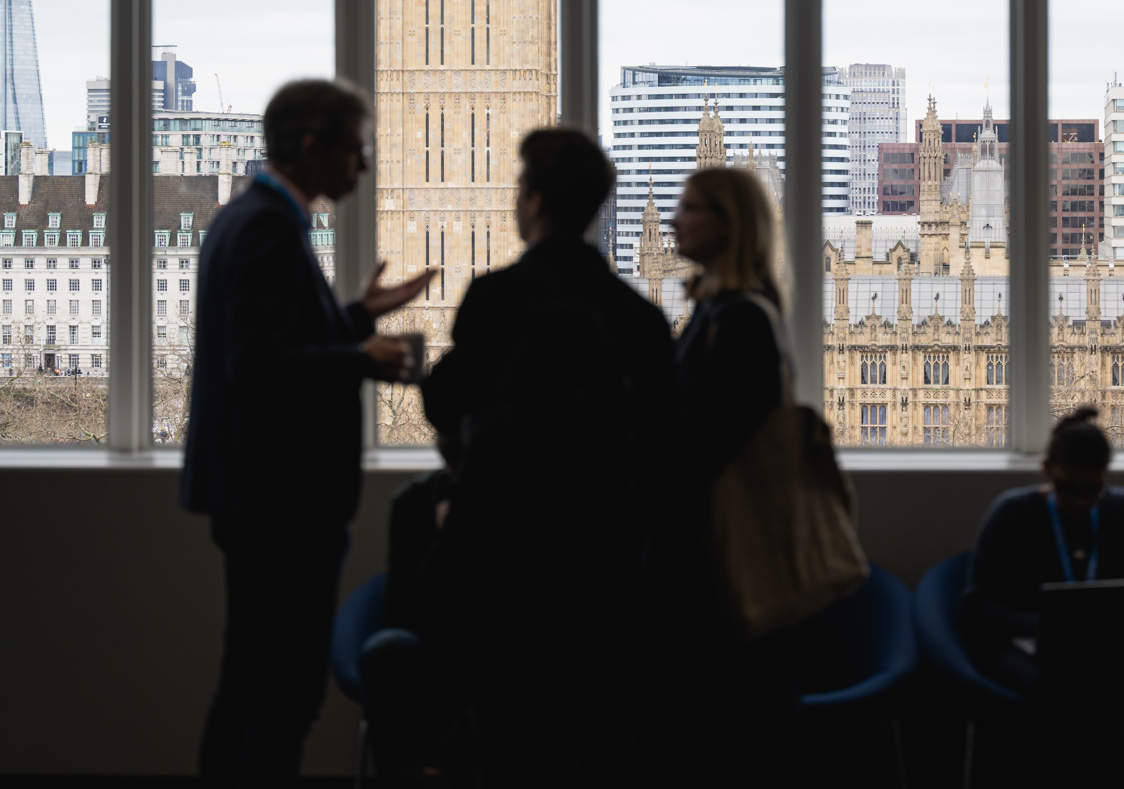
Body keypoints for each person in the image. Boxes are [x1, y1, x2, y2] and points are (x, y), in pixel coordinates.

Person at [181, 78, 434, 785]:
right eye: (356, 150)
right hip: (280, 502)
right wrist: (363, 355)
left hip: (259, 495)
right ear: (313, 147)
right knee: (284, 694)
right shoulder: (267, 227)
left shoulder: (255, 217)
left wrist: (355, 317)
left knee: (250, 680)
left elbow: (270, 343)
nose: (363, 166)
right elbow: (259, 368)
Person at [405, 127, 673, 786]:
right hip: (603, 556)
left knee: (510, 738)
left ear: (534, 202)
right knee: (602, 733)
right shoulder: (637, 318)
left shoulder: (495, 299)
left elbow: (446, 405)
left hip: (505, 556)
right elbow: (663, 441)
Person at [641, 167, 798, 788]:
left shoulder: (741, 322)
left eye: (691, 207)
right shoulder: (715, 313)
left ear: (730, 226)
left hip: (720, 562)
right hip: (702, 555)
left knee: (718, 737)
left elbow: (702, 445)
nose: (674, 219)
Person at [964, 407, 1124, 784]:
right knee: (1063, 686)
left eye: (1091, 491)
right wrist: (1040, 624)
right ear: (1047, 470)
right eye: (1068, 490)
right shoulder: (1012, 513)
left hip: (1116, 649)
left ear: (1105, 478)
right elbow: (975, 607)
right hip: (1029, 650)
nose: (1081, 503)